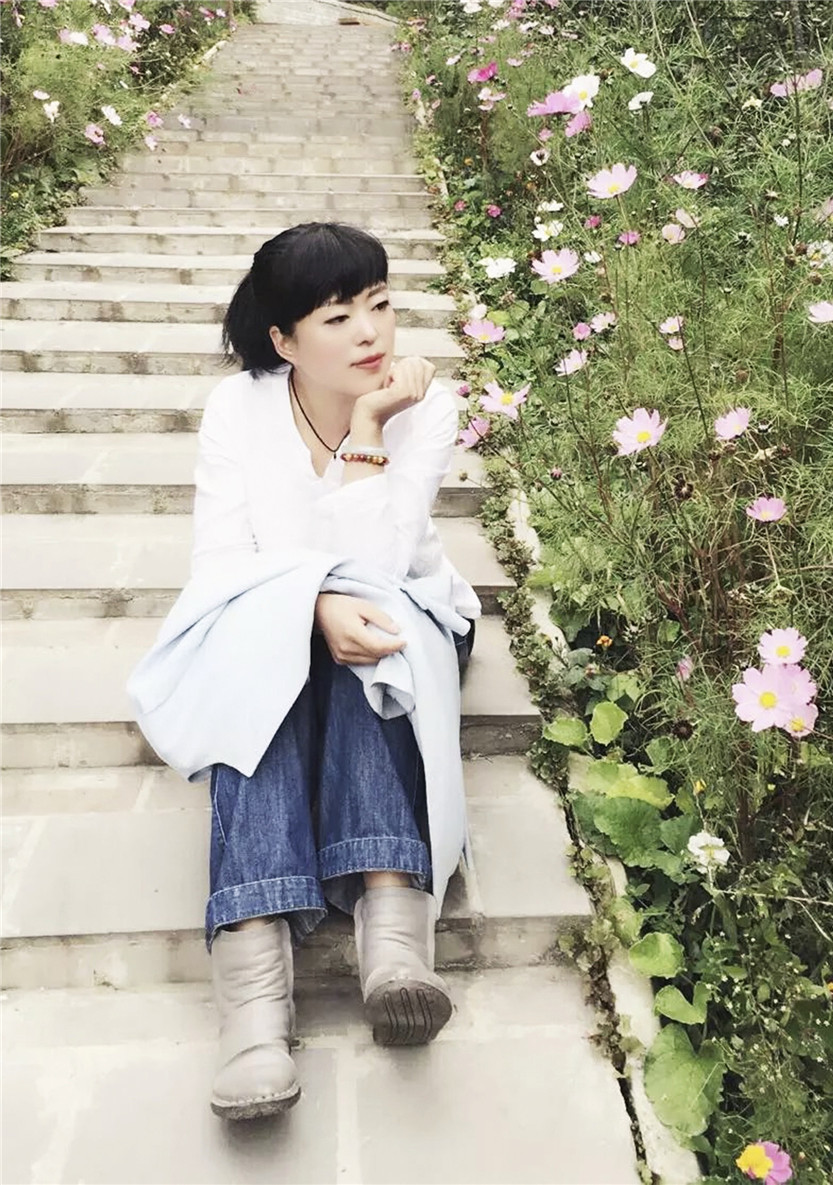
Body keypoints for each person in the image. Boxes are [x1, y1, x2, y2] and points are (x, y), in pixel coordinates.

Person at [185, 222, 481, 1120]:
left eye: (380, 304)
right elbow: (220, 567)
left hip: (408, 613)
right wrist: (309, 608)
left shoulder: (424, 405)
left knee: (367, 639)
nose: (370, 332)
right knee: (258, 671)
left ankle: (393, 938)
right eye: (339, 315)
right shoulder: (236, 409)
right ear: (284, 341)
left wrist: (368, 426)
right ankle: (253, 1001)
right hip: (276, 616)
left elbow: (382, 565)